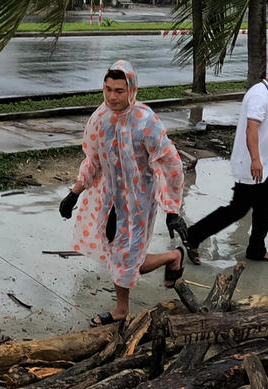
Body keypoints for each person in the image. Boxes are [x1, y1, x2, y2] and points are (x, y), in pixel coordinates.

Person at [60, 60, 186, 326]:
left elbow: (170, 163)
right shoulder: (100, 119)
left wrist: (172, 209)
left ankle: (121, 311)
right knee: (123, 257)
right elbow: (93, 160)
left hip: (140, 201)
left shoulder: (145, 121)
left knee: (124, 258)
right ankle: (173, 257)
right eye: (108, 89)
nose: (112, 97)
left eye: (119, 90)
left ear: (132, 90)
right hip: (111, 198)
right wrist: (74, 193)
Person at [184, 60, 268, 266]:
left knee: (265, 204)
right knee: (237, 210)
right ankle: (193, 235)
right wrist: (255, 160)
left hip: (263, 165)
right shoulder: (259, 95)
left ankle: (256, 248)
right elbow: (251, 129)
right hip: (252, 164)